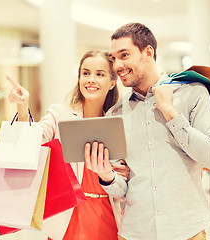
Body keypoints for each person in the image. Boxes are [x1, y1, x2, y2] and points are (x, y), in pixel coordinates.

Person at [85, 23, 210, 240]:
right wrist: (106, 175)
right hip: (135, 232)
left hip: (186, 231)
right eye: (114, 58)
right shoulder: (115, 114)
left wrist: (170, 111)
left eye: (124, 55)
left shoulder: (193, 94)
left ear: (148, 52)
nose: (117, 65)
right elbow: (123, 190)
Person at [7, 49, 130, 240]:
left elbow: (129, 176)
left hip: (106, 218)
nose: (91, 79)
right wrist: (23, 107)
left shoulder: (121, 122)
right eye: (86, 73)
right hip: (66, 218)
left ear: (113, 82)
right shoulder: (59, 114)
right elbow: (30, 141)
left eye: (100, 74)